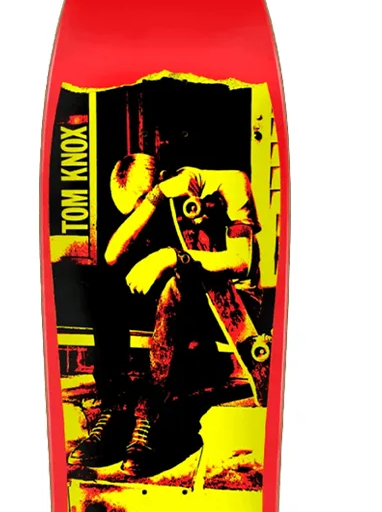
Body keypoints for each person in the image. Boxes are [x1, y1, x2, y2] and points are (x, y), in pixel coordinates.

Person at [67, 153, 259, 477]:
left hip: (228, 305)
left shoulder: (231, 184)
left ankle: (151, 417)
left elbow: (242, 262)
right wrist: (154, 199)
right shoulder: (159, 198)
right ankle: (115, 407)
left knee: (175, 285)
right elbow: (112, 255)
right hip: (177, 304)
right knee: (102, 282)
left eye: (147, 203)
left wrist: (172, 256)